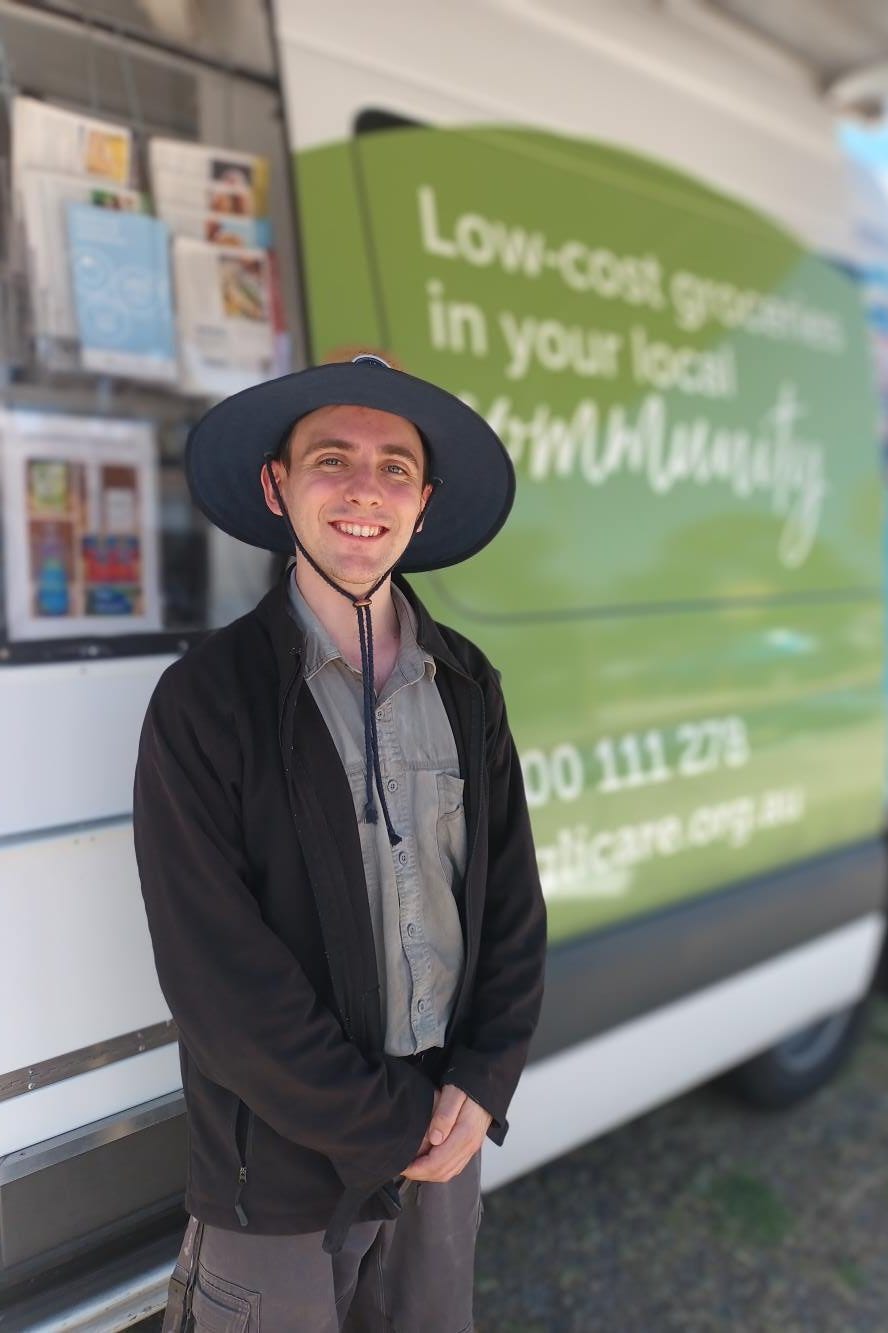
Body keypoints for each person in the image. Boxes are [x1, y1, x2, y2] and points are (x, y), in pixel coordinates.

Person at [134, 353, 547, 1332]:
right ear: (276, 486)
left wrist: (482, 1081)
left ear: (423, 503)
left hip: (442, 1150)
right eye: (331, 459)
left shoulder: (465, 682)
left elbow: (511, 904)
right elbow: (216, 977)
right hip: (276, 1179)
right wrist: (388, 1124)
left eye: (394, 467)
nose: (365, 490)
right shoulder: (207, 700)